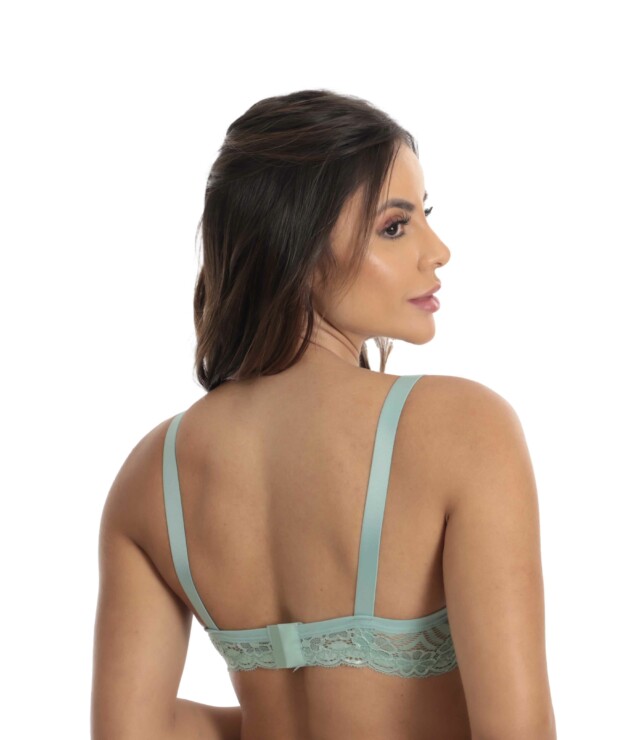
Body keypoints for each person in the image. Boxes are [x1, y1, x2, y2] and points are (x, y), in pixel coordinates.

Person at [91, 89, 556, 739]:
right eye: (394, 227)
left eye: (424, 217)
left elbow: (134, 733)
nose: (438, 251)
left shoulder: (151, 476)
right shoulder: (465, 429)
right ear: (300, 251)